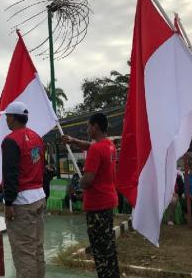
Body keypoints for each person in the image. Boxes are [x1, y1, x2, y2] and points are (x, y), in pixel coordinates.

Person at [62, 113, 120, 278]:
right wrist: (73, 141)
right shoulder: (109, 145)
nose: (87, 129)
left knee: (100, 251)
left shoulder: (97, 149)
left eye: (88, 126)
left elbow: (87, 180)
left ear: (95, 126)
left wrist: (78, 184)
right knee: (108, 246)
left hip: (97, 206)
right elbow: (91, 146)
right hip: (108, 202)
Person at [0, 101, 46, 278]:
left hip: (21, 202)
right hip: (38, 196)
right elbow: (41, 165)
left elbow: (10, 173)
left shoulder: (11, 140)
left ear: (12, 117)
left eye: (7, 116)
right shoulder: (36, 137)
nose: (6, 120)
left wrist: (8, 202)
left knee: (24, 252)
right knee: (36, 247)